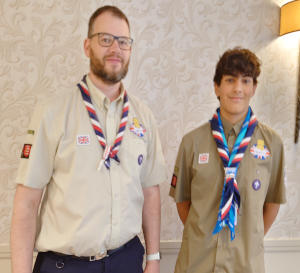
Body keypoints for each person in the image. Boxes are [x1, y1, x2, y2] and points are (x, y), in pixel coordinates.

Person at [11, 5, 167, 273]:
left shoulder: (143, 116)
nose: (115, 49)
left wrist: (153, 257)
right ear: (87, 46)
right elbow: (26, 203)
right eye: (105, 39)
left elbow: (150, 191)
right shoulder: (52, 112)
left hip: (126, 262)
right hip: (66, 265)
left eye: (123, 42)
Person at [169, 47, 286, 273]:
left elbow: (272, 203)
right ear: (217, 87)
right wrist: (203, 236)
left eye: (246, 80)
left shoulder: (272, 144)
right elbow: (183, 203)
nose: (238, 88)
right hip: (197, 263)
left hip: (245, 264)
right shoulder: (192, 142)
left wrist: (247, 239)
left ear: (254, 88)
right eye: (230, 80)